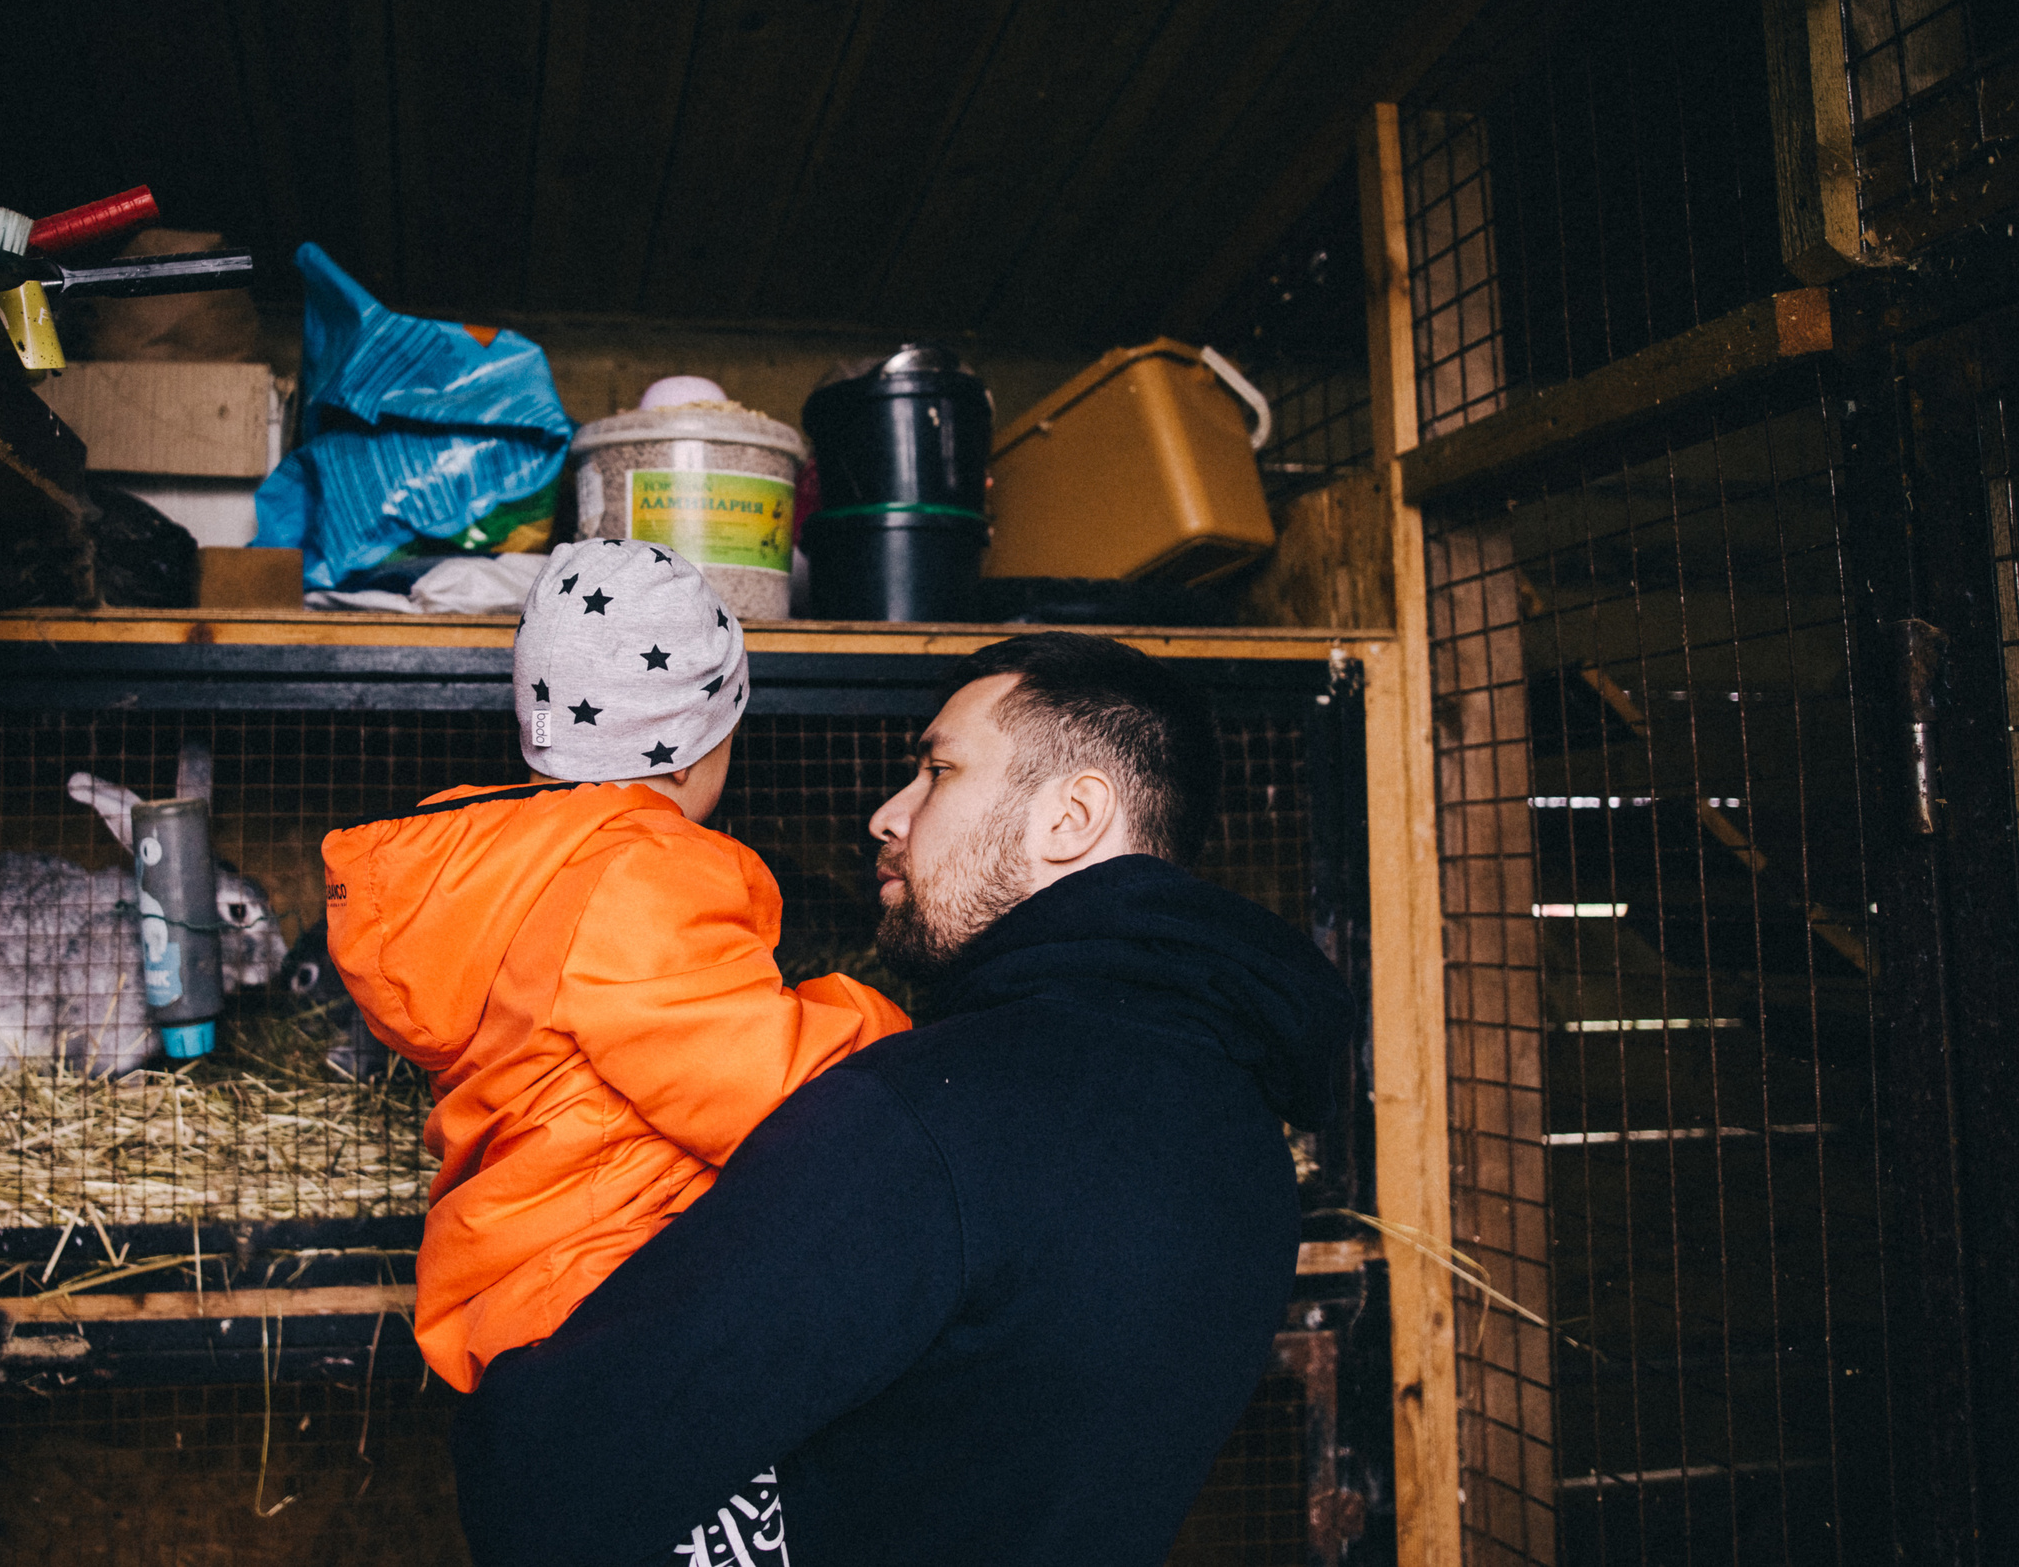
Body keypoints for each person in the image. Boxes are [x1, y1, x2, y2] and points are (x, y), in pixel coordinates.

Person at [450, 631, 1357, 1567]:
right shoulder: (1247, 1142)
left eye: (939, 771)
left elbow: (539, 1484)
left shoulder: (925, 1114)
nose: (889, 813)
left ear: (1072, 816)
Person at [322, 539, 909, 1392]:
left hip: (517, 1298)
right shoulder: (641, 873)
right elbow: (766, 1081)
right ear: (691, 749)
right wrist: (902, 1040)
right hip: (617, 1303)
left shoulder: (497, 873)